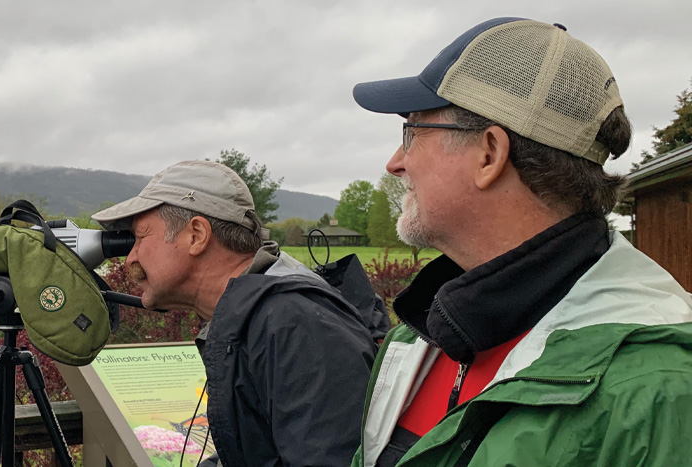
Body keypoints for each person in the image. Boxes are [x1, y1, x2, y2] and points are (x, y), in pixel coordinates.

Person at [350, 17, 692, 466]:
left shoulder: (659, 389)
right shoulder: (414, 343)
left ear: (489, 153)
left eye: (412, 132)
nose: (396, 163)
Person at [92, 160, 380, 467]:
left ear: (196, 235)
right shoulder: (259, 316)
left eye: (139, 237)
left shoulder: (294, 323)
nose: (130, 258)